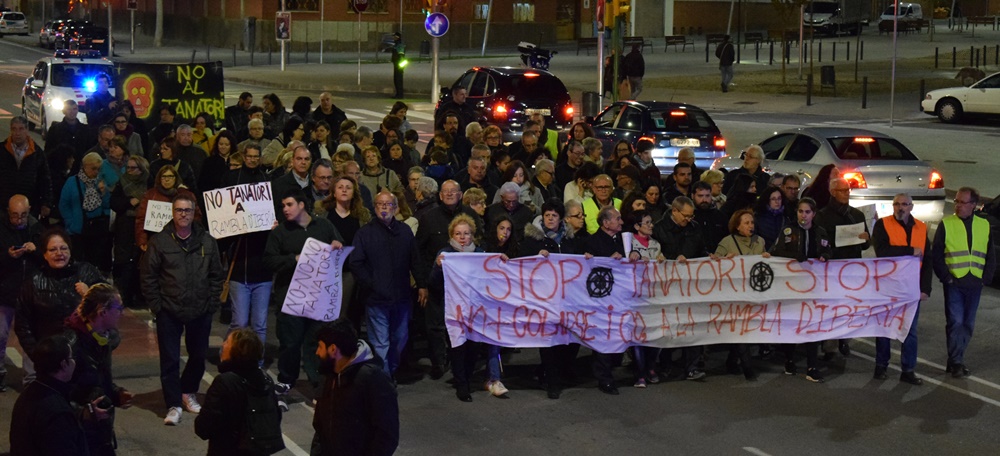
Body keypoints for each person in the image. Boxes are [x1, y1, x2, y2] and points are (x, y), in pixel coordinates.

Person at [141, 194, 224, 425]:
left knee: (198, 356)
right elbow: (148, 276)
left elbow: (217, 275)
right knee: (169, 359)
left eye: (187, 210)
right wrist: (157, 306)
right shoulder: (160, 241)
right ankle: (173, 404)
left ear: (194, 212)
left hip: (200, 309)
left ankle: (188, 392)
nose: (183, 214)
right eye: (179, 210)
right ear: (173, 212)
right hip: (169, 309)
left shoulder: (208, 241)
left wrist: (211, 303)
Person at [264, 189, 344, 396]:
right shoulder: (280, 232)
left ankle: (316, 381)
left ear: (302, 205)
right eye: (283, 206)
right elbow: (269, 261)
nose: (285, 210)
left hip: (318, 296)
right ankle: (286, 379)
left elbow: (339, 245)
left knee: (316, 341)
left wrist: (337, 245)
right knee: (290, 342)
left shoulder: (324, 226)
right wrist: (294, 259)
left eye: (289, 205)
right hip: (291, 297)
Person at [351, 191, 426, 376]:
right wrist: (372, 284)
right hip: (376, 299)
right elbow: (356, 263)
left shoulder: (405, 232)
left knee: (400, 338)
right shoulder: (364, 233)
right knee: (380, 342)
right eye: (380, 204)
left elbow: (415, 259)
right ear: (374, 207)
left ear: (396, 208)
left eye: (388, 204)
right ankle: (384, 379)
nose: (384, 207)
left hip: (401, 297)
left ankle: (389, 370)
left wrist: (422, 284)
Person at [932, 186, 996, 378]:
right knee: (955, 322)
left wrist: (986, 278)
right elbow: (936, 254)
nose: (958, 205)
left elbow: (990, 254)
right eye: (956, 201)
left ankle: (955, 360)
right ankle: (956, 361)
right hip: (955, 283)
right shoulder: (947, 224)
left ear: (974, 205)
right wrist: (947, 277)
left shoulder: (983, 225)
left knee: (968, 324)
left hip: (975, 283)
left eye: (962, 202)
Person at [521, 199, 581, 398]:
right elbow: (522, 260)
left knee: (570, 339)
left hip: (568, 296)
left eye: (554, 215)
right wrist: (536, 255)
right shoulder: (533, 239)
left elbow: (578, 260)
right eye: (547, 215)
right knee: (548, 339)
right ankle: (552, 382)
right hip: (543, 297)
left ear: (561, 218)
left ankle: (549, 371)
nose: (549, 219)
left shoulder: (570, 238)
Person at [64, 283, 134, 456]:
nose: (122, 313)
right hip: (77, 436)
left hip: (99, 433)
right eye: (119, 308)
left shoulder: (104, 337)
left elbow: (97, 378)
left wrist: (116, 393)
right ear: (102, 311)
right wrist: (82, 412)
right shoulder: (70, 344)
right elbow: (51, 394)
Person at [312, 318, 398, 456]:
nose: (317, 352)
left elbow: (387, 435)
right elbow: (320, 427)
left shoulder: (373, 379)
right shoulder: (329, 374)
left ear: (333, 349)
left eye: (320, 347)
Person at [872, 193, 931, 385]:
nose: (900, 207)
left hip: (911, 288)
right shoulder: (883, 224)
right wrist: (909, 250)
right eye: (897, 204)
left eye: (904, 204)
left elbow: (927, 260)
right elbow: (882, 251)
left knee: (910, 330)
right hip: (888, 286)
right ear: (892, 206)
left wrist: (926, 288)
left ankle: (908, 370)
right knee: (884, 327)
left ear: (911, 207)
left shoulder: (921, 228)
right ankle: (881, 365)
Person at [195, 327, 284, 456]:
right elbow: (275, 417)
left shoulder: (224, 382)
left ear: (236, 351)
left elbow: (205, 426)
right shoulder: (266, 379)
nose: (223, 345)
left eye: (227, 343)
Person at [770, 197, 831, 383]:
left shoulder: (820, 232)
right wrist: (795, 256)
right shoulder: (789, 230)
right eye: (800, 211)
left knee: (812, 323)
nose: (803, 215)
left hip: (813, 286)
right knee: (793, 323)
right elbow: (776, 251)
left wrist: (825, 256)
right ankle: (789, 359)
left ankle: (812, 366)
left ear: (813, 214)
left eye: (807, 212)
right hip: (792, 285)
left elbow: (829, 250)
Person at [428, 214, 487, 401]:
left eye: (466, 233)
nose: (462, 237)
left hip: (476, 311)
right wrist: (438, 268)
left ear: (472, 235)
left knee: (473, 347)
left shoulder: (480, 254)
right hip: (454, 310)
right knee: (458, 347)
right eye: (458, 233)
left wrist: (499, 261)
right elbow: (433, 283)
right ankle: (462, 384)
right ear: (452, 235)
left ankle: (467, 376)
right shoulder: (445, 254)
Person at [651, 197, 709, 381]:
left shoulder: (694, 228)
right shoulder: (659, 229)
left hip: (690, 286)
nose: (689, 220)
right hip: (667, 286)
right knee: (669, 326)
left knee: (691, 325)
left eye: (691, 216)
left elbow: (701, 251)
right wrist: (672, 258)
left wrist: (708, 257)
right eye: (686, 216)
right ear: (674, 211)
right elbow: (655, 254)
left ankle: (691, 366)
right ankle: (665, 365)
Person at [815, 177, 871, 359]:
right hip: (832, 270)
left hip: (852, 268)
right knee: (831, 309)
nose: (847, 193)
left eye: (848, 190)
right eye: (843, 191)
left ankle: (844, 340)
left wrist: (865, 239)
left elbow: (865, 246)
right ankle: (830, 345)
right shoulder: (822, 216)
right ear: (833, 192)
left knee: (849, 307)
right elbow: (821, 243)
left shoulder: (857, 215)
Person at [713, 209, 770, 381]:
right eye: (746, 223)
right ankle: (747, 367)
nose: (750, 226)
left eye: (752, 222)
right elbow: (713, 264)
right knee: (740, 327)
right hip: (734, 294)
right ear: (737, 226)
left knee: (747, 328)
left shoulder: (760, 242)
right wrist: (723, 260)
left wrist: (768, 258)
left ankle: (732, 360)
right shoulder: (727, 242)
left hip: (753, 293)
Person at [9, 335, 89, 455]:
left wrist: (82, 414)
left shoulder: (29, 393)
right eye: (72, 358)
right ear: (64, 364)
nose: (74, 362)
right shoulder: (58, 412)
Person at [0, 195, 44, 391]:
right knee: (1, 334)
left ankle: (31, 380)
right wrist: (7, 256)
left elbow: (47, 256)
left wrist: (36, 251)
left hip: (28, 294)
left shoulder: (36, 229)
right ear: (8, 213)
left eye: (23, 215)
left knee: (30, 336)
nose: (19, 220)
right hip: (5, 292)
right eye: (15, 216)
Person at [584, 206, 626, 395]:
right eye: (617, 219)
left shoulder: (623, 241)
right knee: (604, 337)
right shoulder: (592, 243)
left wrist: (633, 256)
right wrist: (607, 261)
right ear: (606, 222)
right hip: (600, 301)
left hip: (620, 298)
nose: (621, 222)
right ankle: (604, 378)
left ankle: (610, 369)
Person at [321, 176, 371, 326]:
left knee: (347, 315)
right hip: (327, 272)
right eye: (340, 187)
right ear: (334, 192)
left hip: (351, 272)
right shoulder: (323, 215)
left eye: (348, 187)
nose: (344, 190)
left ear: (354, 193)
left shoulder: (363, 217)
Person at [625, 210, 664, 388]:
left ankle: (651, 367)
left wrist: (662, 261)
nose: (650, 225)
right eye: (646, 222)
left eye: (651, 222)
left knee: (655, 332)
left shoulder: (656, 244)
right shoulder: (628, 242)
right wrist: (632, 256)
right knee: (638, 335)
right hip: (634, 293)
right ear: (636, 226)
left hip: (653, 293)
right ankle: (640, 372)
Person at [58, 152, 112, 273]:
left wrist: (104, 193)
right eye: (93, 168)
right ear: (85, 166)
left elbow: (107, 205)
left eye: (99, 169)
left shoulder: (101, 182)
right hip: (78, 230)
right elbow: (64, 204)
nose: (96, 172)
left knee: (94, 263)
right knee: (78, 263)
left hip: (97, 230)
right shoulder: (72, 182)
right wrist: (70, 223)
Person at [110, 156, 149, 308]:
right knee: (124, 261)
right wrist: (128, 202)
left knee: (140, 262)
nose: (130, 171)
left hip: (142, 226)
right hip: (124, 227)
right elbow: (114, 203)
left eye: (134, 168)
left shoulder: (148, 183)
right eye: (129, 168)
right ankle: (124, 296)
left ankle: (138, 296)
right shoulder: (122, 182)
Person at [135, 166, 201, 252]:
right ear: (159, 178)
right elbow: (141, 219)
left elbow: (197, 217)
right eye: (164, 176)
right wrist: (142, 240)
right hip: (156, 240)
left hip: (181, 241)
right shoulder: (150, 195)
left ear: (176, 178)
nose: (167, 179)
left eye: (170, 176)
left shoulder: (187, 195)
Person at [1, 116, 53, 220]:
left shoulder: (37, 153)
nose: (17, 133)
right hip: (4, 205)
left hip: (29, 205)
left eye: (21, 129)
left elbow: (44, 179)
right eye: (14, 129)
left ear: (27, 130)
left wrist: (46, 203)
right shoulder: (2, 151)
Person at [270, 144, 312, 217]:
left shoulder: (315, 182)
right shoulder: (278, 184)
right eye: (299, 159)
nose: (303, 162)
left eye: (306, 159)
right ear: (292, 160)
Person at [754, 185, 790, 251]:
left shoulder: (786, 219)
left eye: (779, 198)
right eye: (773, 199)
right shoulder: (758, 218)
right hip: (763, 254)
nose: (777, 202)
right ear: (767, 200)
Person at [390, 32, 405, 98]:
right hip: (397, 64)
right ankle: (398, 94)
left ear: (397, 37)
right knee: (396, 79)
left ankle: (400, 95)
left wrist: (401, 66)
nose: (393, 38)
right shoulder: (396, 44)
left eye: (394, 36)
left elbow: (401, 55)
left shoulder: (400, 44)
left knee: (398, 80)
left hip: (399, 65)